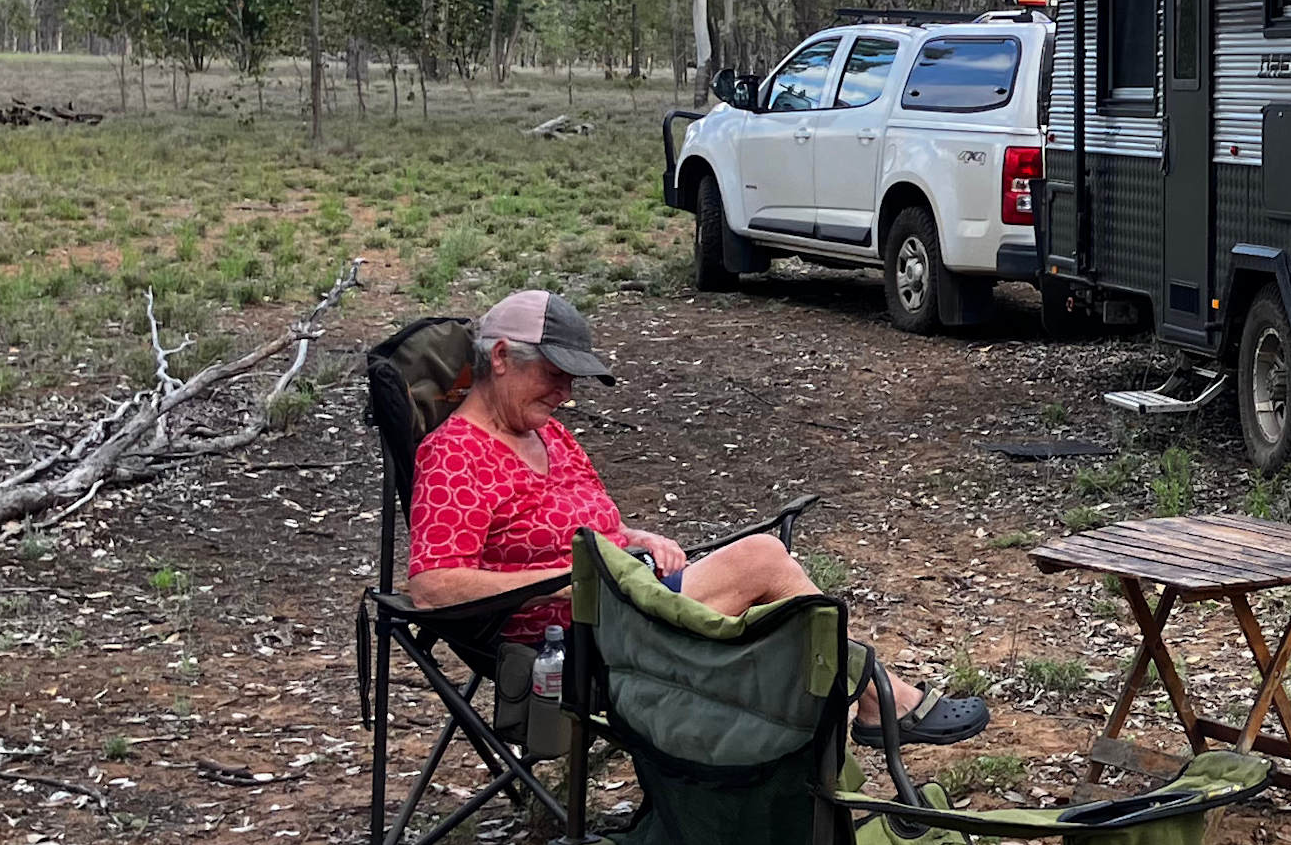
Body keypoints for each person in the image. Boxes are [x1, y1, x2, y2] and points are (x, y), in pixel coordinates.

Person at [404, 288, 987, 744]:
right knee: (764, 561)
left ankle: (841, 716)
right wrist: (581, 576)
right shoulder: (455, 453)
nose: (566, 392)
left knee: (772, 587)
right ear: (501, 357)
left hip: (627, 599)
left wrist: (635, 537)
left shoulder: (548, 434)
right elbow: (433, 587)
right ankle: (876, 700)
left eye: (572, 379)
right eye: (554, 374)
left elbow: (585, 524)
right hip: (577, 640)